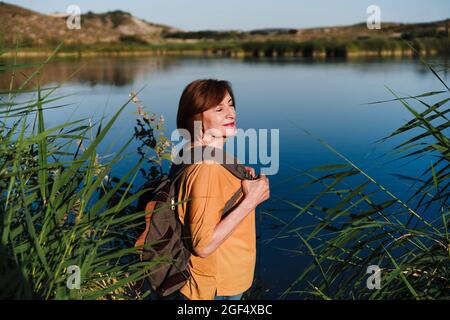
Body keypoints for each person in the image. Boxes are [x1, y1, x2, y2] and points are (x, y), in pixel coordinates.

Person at [174, 79, 270, 300]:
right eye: (219, 109)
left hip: (216, 280)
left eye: (230, 104)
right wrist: (251, 200)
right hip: (217, 287)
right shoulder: (207, 169)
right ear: (196, 119)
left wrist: (234, 177)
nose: (231, 113)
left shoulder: (190, 151)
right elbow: (203, 245)